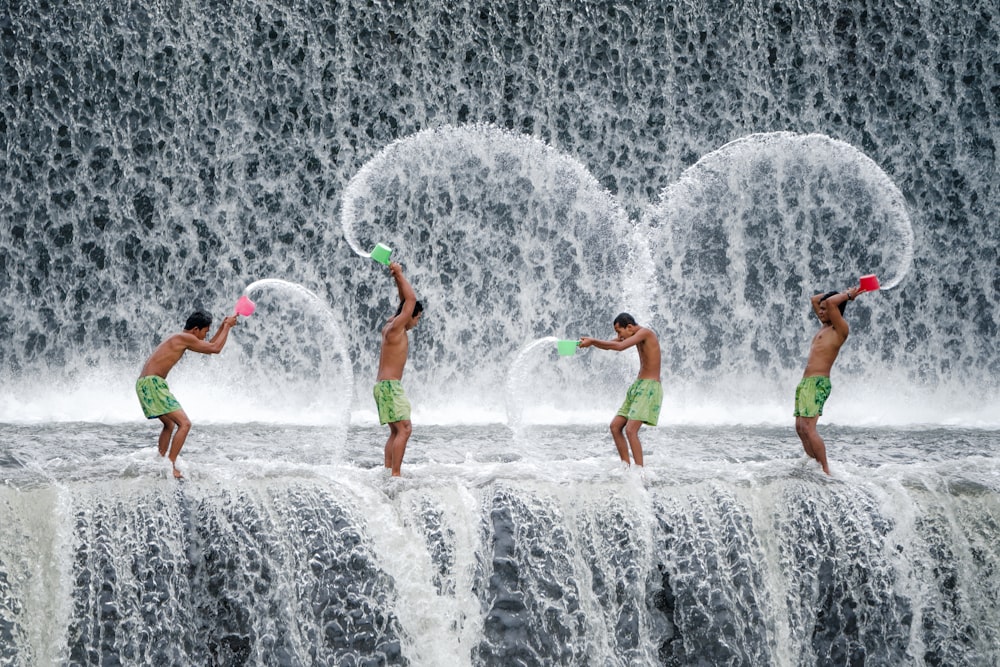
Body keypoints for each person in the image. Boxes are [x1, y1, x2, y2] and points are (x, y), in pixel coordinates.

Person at [136, 310, 238, 479]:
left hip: (145, 383)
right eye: (205, 332)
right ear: (195, 329)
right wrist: (228, 326)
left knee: (169, 424)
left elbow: (210, 346)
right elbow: (215, 348)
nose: (205, 336)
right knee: (185, 424)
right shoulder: (185, 338)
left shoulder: (180, 338)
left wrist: (222, 327)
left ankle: (161, 460)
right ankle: (171, 465)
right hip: (153, 384)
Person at [579, 313, 662, 468]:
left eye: (619, 331)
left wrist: (593, 341)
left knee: (631, 430)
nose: (619, 335)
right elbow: (611, 344)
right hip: (638, 386)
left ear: (629, 327)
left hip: (649, 387)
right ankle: (626, 467)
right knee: (615, 426)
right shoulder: (634, 334)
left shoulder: (646, 333)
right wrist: (589, 343)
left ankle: (640, 473)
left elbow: (619, 346)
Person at [794, 286, 862, 475]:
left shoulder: (839, 329)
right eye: (821, 309)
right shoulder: (824, 326)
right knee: (800, 428)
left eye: (825, 309)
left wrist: (848, 296)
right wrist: (841, 294)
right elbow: (815, 299)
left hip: (818, 383)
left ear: (835, 310)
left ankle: (825, 470)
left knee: (808, 427)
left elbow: (831, 303)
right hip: (806, 383)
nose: (820, 311)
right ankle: (813, 462)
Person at [374, 262, 423, 477]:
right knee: (404, 429)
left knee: (396, 431)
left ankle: (388, 471)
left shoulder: (391, 326)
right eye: (417, 318)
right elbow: (410, 301)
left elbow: (404, 301)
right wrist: (401, 273)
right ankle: (395, 475)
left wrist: (396, 277)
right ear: (409, 315)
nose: (417, 323)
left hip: (383, 387)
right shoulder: (396, 328)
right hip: (390, 387)